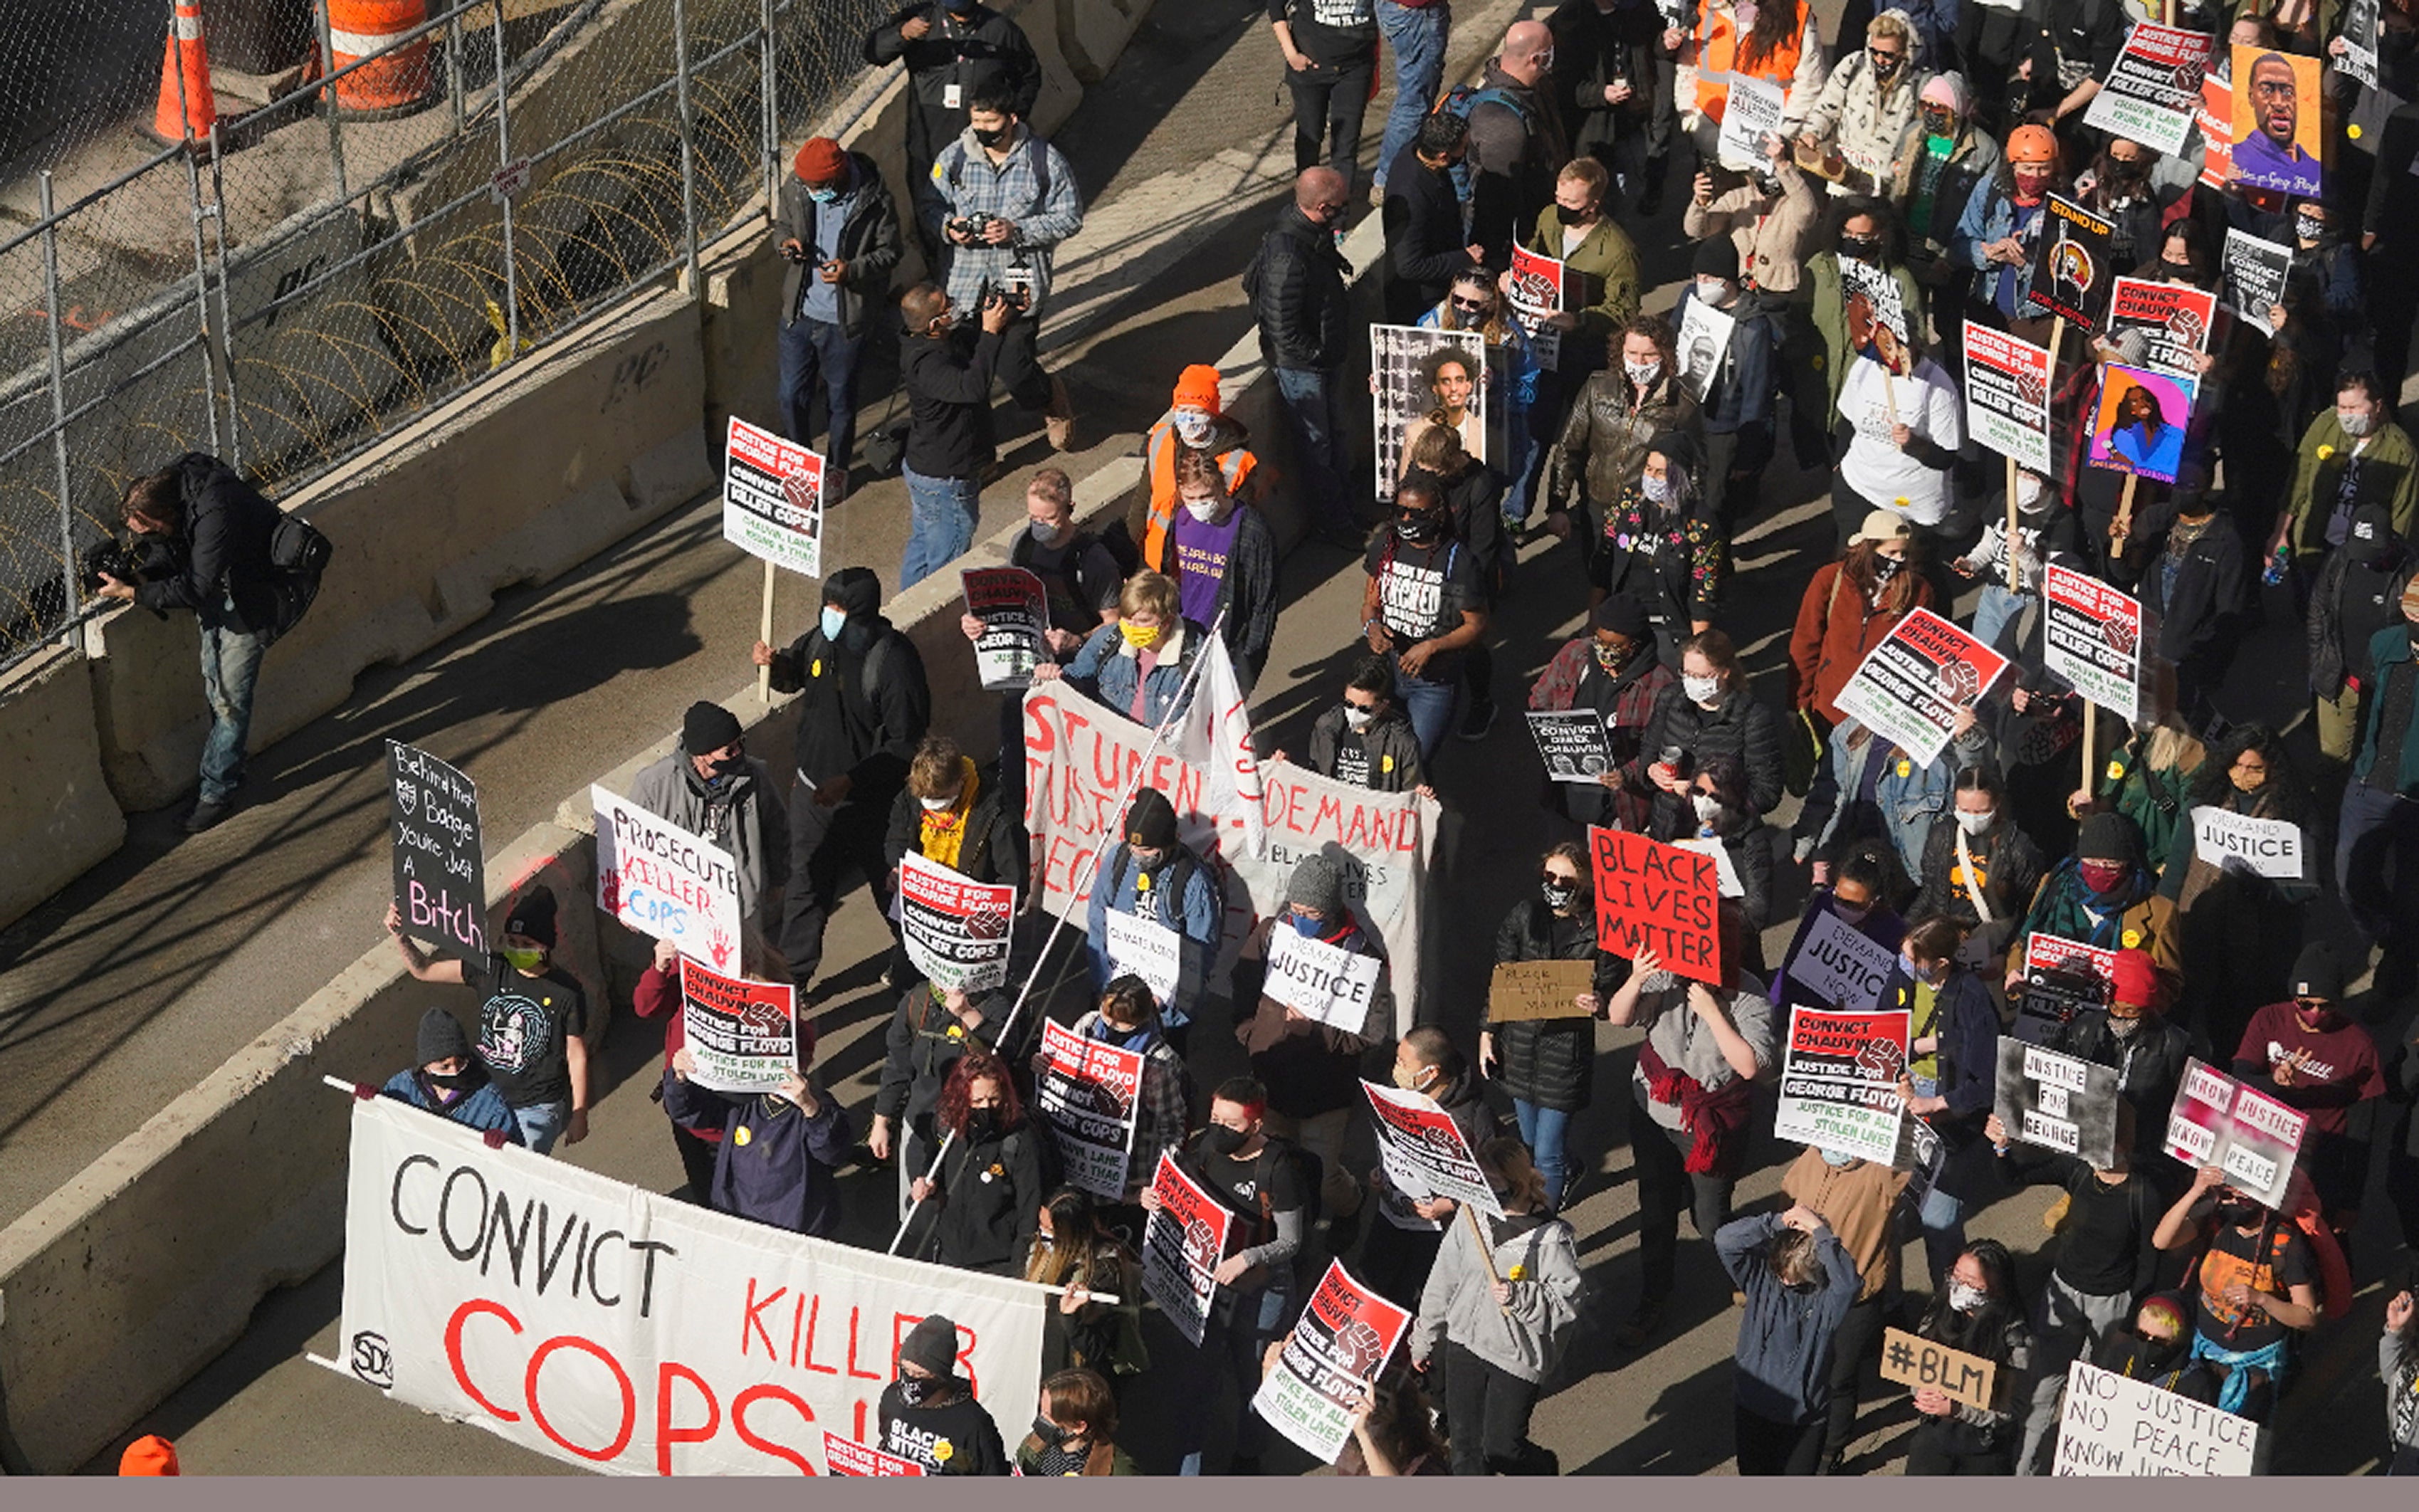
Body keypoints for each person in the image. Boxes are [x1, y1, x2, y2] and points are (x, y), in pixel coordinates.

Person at [1603, 906, 1779, 1348]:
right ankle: (1653, 1297)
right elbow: (1619, 1017)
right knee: (1657, 1211)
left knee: (1710, 1216)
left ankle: (1747, 1272)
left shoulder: (1750, 995)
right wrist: (1638, 978)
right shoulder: (1667, 978)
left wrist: (1714, 1011)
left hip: (1710, 1121)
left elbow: (1753, 1066)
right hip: (1655, 1110)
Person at [755, 565, 930, 987]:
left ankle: (919, 973)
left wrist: (851, 781)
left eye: (840, 607)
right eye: (827, 604)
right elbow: (794, 676)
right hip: (814, 796)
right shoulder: (820, 642)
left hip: (874, 805)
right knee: (805, 888)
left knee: (892, 890)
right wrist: (775, 664)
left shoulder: (894, 661)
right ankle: (791, 981)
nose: (829, 613)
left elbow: (905, 744)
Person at [98, 456, 281, 833]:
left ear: (161, 513)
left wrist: (135, 593)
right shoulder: (181, 499)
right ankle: (229, 766)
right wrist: (144, 574)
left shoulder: (215, 511)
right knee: (217, 687)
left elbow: (195, 587)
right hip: (219, 591)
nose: (145, 540)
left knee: (230, 700)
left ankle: (217, 792)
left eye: (145, 532)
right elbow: (172, 549)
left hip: (250, 596)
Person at [1147, 1078, 1309, 1476]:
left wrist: (1248, 1257)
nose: (1218, 1129)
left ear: (1256, 1126)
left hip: (1260, 1291)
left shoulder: (1277, 1170)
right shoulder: (1205, 1145)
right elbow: (1184, 1191)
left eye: (1231, 1125)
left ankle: (1249, 1453)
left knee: (1251, 1377)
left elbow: (1291, 1242)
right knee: (1198, 1382)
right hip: (1210, 1287)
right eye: (1215, 1118)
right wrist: (1153, 1197)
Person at [1984, 1106, 2160, 1474]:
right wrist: (2001, 1148)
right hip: (2062, 1294)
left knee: (2097, 1396)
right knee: (2042, 1387)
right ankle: (2024, 1472)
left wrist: (2130, 1322)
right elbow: (2013, 1178)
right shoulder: (2077, 1170)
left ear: (2123, 1144)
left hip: (2111, 1304)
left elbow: (2148, 1259)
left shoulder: (2144, 1193)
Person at [1410, 1137, 1586, 1476]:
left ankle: (1543, 1470)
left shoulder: (1551, 1238)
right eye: (1480, 1182)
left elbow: (1567, 1304)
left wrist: (1521, 1297)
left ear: (1517, 1183)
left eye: (1492, 1184)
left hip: (1515, 1356)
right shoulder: (1472, 1217)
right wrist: (1424, 1338)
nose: (1484, 1193)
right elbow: (1442, 1280)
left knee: (1503, 1449)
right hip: (1464, 1341)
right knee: (1464, 1450)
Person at [926, 91, 1083, 451]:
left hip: (1017, 283)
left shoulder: (1046, 161)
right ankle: (982, 455)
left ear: (1012, 118)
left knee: (1014, 366)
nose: (982, 130)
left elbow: (1070, 218)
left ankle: (1048, 398)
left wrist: (1018, 230)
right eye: (976, 122)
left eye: (991, 123)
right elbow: (930, 206)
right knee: (966, 375)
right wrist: (949, 227)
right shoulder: (952, 159)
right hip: (964, 286)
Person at [1232, 854, 1385, 1219]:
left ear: (1331, 910)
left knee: (1323, 1177)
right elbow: (1243, 984)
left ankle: (1352, 1206)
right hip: (1271, 1080)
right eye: (1296, 909)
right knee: (1269, 1167)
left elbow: (1373, 1031)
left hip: (1326, 1094)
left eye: (1312, 914)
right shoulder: (1271, 933)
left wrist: (1316, 1034)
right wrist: (1249, 1033)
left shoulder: (1362, 955)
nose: (1301, 919)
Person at [384, 887, 588, 1155]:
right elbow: (425, 970)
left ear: (545, 946)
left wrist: (579, 1113)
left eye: (526, 945)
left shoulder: (566, 992)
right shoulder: (491, 969)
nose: (517, 950)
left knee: (515, 1174)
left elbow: (576, 1055)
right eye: (512, 942)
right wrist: (402, 938)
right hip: (484, 1098)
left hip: (535, 1108)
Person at [2158, 725, 2316, 1051]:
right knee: (2183, 1000)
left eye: (2254, 768)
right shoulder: (2206, 799)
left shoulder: (2296, 814)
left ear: (2273, 768)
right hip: (2199, 922)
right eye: (2237, 765)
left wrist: (2265, 889)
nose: (2243, 775)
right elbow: (2179, 861)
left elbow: (2306, 884)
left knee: (2234, 1014)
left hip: (2258, 937)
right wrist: (2163, 914)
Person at [1483, 842, 1622, 1209]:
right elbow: (1501, 980)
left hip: (1565, 1055)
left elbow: (1612, 987)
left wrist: (1600, 1002)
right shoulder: (1524, 916)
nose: (1556, 884)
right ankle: (1568, 1167)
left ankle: (1543, 1220)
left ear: (1585, 883)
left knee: (1547, 1155)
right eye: (1550, 876)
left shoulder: (1602, 930)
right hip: (1520, 1049)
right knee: (1528, 1146)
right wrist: (1487, 1035)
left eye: (1566, 879)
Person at [775, 136, 903, 499]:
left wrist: (852, 270)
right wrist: (787, 244)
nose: (811, 191)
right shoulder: (798, 187)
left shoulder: (874, 202)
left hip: (844, 321)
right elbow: (782, 227)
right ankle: (801, 465)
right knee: (789, 396)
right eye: (807, 185)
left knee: (840, 401)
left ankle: (837, 468)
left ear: (838, 177)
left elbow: (891, 252)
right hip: (798, 314)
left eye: (818, 187)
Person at [862, 0, 1041, 258]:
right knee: (933, 212)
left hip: (983, 142)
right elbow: (873, 52)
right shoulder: (919, 19)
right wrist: (902, 34)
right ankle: (943, 281)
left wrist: (1011, 119)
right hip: (931, 138)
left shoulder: (1001, 30)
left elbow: (1029, 76)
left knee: (986, 215)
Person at [2232, 943, 2386, 1237]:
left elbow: (2362, 1134)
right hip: (2266, 1147)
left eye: (2325, 1006)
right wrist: (2273, 1082)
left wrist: (2350, 1201)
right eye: (2305, 1004)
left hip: (2321, 1160)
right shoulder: (2268, 1019)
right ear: (2294, 998)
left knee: (2315, 1243)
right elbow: (2239, 1079)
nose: (2315, 1013)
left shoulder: (2359, 1046)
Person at [2151, 1165, 2322, 1422]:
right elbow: (2161, 1241)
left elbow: (2306, 1317)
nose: (2232, 1201)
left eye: (2240, 1196)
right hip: (2204, 1353)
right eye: (2226, 1194)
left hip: (2257, 1368)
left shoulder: (2286, 1244)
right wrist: (2196, 1191)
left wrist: (2261, 1299)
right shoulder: (2215, 1223)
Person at [1248, 168, 1363, 548]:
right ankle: (1336, 524)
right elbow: (1282, 326)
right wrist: (1317, 356)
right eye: (1341, 206)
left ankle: (1344, 511)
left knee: (1334, 441)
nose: (1345, 211)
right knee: (1319, 450)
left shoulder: (1305, 234)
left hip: (1317, 362)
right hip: (1304, 370)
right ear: (1324, 207)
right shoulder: (1287, 254)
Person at [1882, 915, 2001, 1281]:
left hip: (1948, 1114)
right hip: (1905, 1094)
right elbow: (1882, 1024)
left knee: (1938, 1220)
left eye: (1913, 960)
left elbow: (1985, 1082)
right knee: (1888, 1214)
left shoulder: (1971, 998)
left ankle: (1947, 1299)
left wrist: (1935, 1105)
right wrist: (1909, 1052)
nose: (1904, 965)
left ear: (1942, 964)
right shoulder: (1902, 977)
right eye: (1903, 956)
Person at [1776, 1148, 1908, 1473]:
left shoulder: (1880, 1173)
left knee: (1839, 1378)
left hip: (1856, 1298)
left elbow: (1908, 1162)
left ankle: (1831, 1449)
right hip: (1806, 1293)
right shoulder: (1808, 1162)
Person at [631, 933, 789, 1201]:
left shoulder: (761, 979)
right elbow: (646, 1007)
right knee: (706, 1187)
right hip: (690, 1107)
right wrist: (659, 967)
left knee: (755, 1190)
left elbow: (798, 1037)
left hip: (745, 1115)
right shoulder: (686, 969)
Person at [1544, 313, 1704, 578]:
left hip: (1648, 516)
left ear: (1666, 355)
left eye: (1649, 355)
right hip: (1597, 507)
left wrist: (1689, 522)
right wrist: (1557, 505)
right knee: (1598, 576)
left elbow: (1697, 469)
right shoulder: (1598, 387)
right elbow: (1568, 448)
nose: (1639, 363)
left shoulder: (1683, 405)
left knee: (1636, 583)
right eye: (1632, 353)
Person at [1716, 1204, 1859, 1475]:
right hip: (1752, 1404)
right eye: (1780, 1270)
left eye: (1795, 1276)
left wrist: (1820, 1231)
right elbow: (1725, 1240)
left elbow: (1850, 1284)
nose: (1784, 1280)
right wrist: (1778, 1221)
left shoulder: (1828, 1298)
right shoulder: (1761, 1279)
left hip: (1802, 1419)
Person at [628, 700, 789, 940]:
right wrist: (633, 905)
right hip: (681, 914)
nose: (739, 754)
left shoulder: (755, 776)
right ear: (701, 755)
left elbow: (777, 828)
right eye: (729, 751)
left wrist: (778, 879)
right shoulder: (654, 786)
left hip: (740, 909)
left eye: (740, 744)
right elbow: (632, 851)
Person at [663, 1034, 851, 1239]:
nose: (775, 1070)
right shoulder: (741, 1099)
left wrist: (811, 1108)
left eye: (784, 1061)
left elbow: (833, 1151)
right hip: (738, 1216)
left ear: (803, 1064)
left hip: (794, 1227)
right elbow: (689, 1113)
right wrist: (679, 1078)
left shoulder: (818, 1106)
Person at [1363, 1027, 1499, 1306]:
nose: (1396, 1069)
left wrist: (1451, 1203)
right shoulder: (1399, 1090)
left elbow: (1492, 1176)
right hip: (1391, 1215)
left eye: (1404, 1063)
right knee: (1371, 1283)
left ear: (1432, 1072)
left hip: (1436, 1230)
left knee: (1413, 1296)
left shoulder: (1472, 1117)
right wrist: (1381, 1172)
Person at [1361, 470, 1491, 759]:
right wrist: (1371, 627)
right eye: (1400, 511)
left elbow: (1477, 624)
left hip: (1433, 683)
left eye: (1417, 513)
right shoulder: (1385, 547)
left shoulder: (1457, 561)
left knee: (1414, 759)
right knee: (1380, 754)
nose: (1406, 520)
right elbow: (1370, 603)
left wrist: (1432, 646)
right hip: (1387, 673)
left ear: (1439, 514)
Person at [1046, 977, 1193, 1232]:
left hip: (1125, 1182)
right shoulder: (1088, 1025)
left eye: (1121, 1023)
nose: (1111, 1025)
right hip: (1076, 1165)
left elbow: (1173, 1127)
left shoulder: (1159, 1062)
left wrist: (1157, 1181)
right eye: (1107, 1016)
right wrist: (1046, 1064)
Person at [1083, 789, 1223, 1051]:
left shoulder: (1194, 883)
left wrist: (1168, 1005)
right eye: (1133, 847)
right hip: (1113, 999)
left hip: (1162, 1015)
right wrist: (1104, 986)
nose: (1138, 855)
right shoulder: (1118, 859)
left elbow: (1200, 955)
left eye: (1147, 850)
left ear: (1172, 842)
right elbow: (1098, 920)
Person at [893, 281, 1012, 589]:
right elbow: (972, 387)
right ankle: (927, 622)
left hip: (926, 471)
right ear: (934, 324)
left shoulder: (941, 340)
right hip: (945, 480)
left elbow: (978, 344)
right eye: (948, 306)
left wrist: (1000, 315)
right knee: (947, 563)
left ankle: (904, 611)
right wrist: (990, 334)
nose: (955, 306)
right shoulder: (927, 364)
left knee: (923, 544)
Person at [1523, 594, 1679, 832]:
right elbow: (1541, 696)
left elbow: (1665, 747)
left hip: (1618, 805)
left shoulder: (1660, 685)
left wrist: (1627, 774)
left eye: (1616, 646)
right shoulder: (1575, 655)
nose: (1605, 652)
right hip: (1564, 794)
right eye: (1600, 641)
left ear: (1635, 644)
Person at [2336, 579, 2419, 991]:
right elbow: (2368, 699)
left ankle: (2396, 974)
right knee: (2349, 878)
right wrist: (2359, 763)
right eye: (2412, 615)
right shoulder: (2385, 644)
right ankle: (2386, 936)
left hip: (2416, 798)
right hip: (2370, 784)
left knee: (2411, 897)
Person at [1415, 268, 1544, 531]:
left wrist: (1499, 385)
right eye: (1457, 300)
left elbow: (1529, 390)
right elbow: (1411, 364)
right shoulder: (1432, 322)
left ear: (1491, 303)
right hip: (1443, 437)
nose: (1463, 308)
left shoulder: (1511, 337)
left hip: (1491, 438)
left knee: (1481, 513)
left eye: (1473, 303)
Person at [2040, 947, 2203, 1153]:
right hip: (2089, 1139)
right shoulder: (2085, 1029)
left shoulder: (2175, 1044)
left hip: (2143, 1148)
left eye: (2130, 1011)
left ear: (2147, 1010)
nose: (2120, 1017)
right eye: (2115, 1008)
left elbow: (2185, 1110)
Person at [871, 980, 1009, 1219]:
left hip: (973, 1135)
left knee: (967, 1215)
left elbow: (1009, 1059)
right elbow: (898, 1065)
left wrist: (969, 1015)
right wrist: (881, 1121)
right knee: (918, 1213)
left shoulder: (997, 1004)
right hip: (921, 1126)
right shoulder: (917, 1001)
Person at [1584, 429, 1721, 666]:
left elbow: (1703, 594)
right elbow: (1603, 564)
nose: (1651, 478)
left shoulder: (1700, 524)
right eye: (1648, 469)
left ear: (1679, 476)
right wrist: (1594, 617)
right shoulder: (1629, 500)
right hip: (1623, 619)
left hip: (1667, 628)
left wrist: (1699, 653)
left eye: (1660, 473)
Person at [1788, 508, 1932, 733]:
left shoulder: (1918, 590)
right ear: (1869, 548)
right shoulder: (1829, 579)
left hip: (1879, 717)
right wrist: (1799, 702)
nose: (1899, 560)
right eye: (1891, 553)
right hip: (1829, 709)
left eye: (1903, 554)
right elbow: (1806, 643)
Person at [1668, 238, 1776, 532]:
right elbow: (1673, 334)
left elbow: (1757, 394)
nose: (1702, 284)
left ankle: (1714, 556)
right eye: (1699, 277)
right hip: (1687, 410)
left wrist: (1747, 455)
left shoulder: (1753, 328)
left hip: (1724, 426)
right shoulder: (1691, 297)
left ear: (1729, 281)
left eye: (1711, 279)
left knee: (1713, 501)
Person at [908, 1051, 1049, 1272]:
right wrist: (929, 1181)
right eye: (977, 1101)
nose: (986, 1107)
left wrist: (1020, 1266)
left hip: (997, 1261)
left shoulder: (1019, 1138)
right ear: (961, 1097)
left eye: (994, 1099)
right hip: (950, 1252)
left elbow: (1029, 1209)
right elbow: (932, 1157)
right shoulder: (947, 1125)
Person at [2307, 504, 2415, 785]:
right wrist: (2320, 659)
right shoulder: (2340, 560)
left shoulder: (2411, 567)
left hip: (2387, 681)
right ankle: (2330, 817)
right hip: (2342, 677)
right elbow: (2318, 609)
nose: (2365, 560)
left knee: (2379, 754)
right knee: (2332, 759)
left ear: (2390, 541)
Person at [1903, 1240, 2032, 1474]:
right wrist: (1922, 1392)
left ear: (1997, 1290)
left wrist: (1958, 1409)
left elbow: (2014, 1405)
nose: (1959, 1287)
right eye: (1956, 1277)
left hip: (1984, 1447)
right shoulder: (1939, 1310)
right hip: (1935, 1433)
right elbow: (1918, 1361)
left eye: (1971, 1284)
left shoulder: (2014, 1336)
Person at [1805, 199, 1928, 444]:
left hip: (1865, 402)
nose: (1852, 241)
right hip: (1817, 389)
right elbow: (1798, 324)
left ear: (1881, 236)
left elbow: (1916, 348)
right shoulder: (1821, 266)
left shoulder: (1899, 281)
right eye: (1847, 233)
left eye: (1862, 237)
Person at [2272, 374, 2419, 576]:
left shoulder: (2400, 451)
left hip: (2362, 559)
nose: (2348, 416)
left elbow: (2403, 515)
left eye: (2355, 408)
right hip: (2314, 547)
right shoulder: (2326, 424)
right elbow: (2298, 482)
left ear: (2377, 407)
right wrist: (2280, 533)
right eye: (2343, 408)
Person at [1521, 157, 1645, 396]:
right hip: (1542, 341)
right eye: (1558, 198)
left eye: (1571, 202)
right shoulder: (1549, 217)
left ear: (1593, 204)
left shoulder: (1618, 251)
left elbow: (1625, 312)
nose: (1562, 206)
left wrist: (1579, 321)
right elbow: (1534, 255)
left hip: (1583, 352)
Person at [2007, 811, 2181, 979]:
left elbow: (2170, 981)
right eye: (2092, 863)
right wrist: (2015, 972)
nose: (2100, 870)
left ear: (2127, 864)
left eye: (2112, 865)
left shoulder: (2159, 912)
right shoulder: (2054, 886)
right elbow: (2024, 941)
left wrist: (2134, 997)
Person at [2129, 485, 2247, 731]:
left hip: (2184, 658)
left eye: (2193, 483)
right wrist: (2127, 543)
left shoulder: (2225, 539)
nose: (2184, 490)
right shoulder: (2156, 522)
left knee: (2175, 727)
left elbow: (2229, 613)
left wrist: (2208, 668)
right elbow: (2124, 572)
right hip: (2145, 643)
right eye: (2179, 482)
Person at [1161, 448, 1280, 688]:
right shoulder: (1180, 521)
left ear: (1220, 487)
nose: (1198, 506)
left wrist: (1250, 658)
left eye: (1205, 497)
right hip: (1183, 633)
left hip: (1228, 641)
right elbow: (1169, 575)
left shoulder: (1251, 531)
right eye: (1190, 498)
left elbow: (1264, 600)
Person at [1911, 767, 2045, 975]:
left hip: (1989, 946)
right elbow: (1929, 890)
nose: (1972, 818)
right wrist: (1907, 932)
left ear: (1997, 803)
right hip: (1943, 940)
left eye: (1981, 811)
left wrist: (2008, 954)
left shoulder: (2018, 847)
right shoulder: (1943, 834)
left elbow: (2031, 910)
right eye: (1964, 810)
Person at [1035, 572, 1210, 732]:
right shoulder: (1108, 640)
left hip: (1161, 759)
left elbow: (1213, 718)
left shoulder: (1199, 657)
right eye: (1126, 618)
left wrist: (1184, 734)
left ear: (1167, 620)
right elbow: (1079, 679)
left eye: (1142, 621)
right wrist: (1055, 677)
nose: (1131, 628)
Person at [1133, 366, 1264, 575]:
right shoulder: (1161, 440)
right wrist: (1133, 553)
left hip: (1205, 563)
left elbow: (1244, 523)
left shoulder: (1236, 461)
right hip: (1158, 556)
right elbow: (1143, 499)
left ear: (1211, 414)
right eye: (1183, 411)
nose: (1189, 420)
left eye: (1197, 412)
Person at [1642, 629, 1784, 817]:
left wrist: (1713, 798)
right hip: (1669, 821)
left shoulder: (1753, 718)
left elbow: (1767, 792)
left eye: (1701, 677)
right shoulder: (1671, 698)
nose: (1692, 682)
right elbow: (1648, 749)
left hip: (1721, 831)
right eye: (1687, 674)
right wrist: (1652, 771)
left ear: (1725, 673)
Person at [1464, 21, 1570, 268]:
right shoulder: (1502, 123)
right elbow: (1498, 203)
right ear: (1535, 59)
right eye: (1550, 52)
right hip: (1513, 247)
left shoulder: (1535, 87)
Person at [1795, 11, 1927, 199]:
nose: (1880, 60)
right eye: (1874, 51)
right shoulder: (1852, 66)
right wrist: (1812, 133)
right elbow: (1826, 110)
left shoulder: (1920, 85)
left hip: (1886, 192)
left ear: (1907, 51)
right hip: (1842, 181)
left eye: (1888, 55)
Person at [1550, 0, 1666, 212]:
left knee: (1632, 188)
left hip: (1636, 121)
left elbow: (1655, 47)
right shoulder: (1570, 21)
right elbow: (1563, 85)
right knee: (1602, 198)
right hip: (1595, 130)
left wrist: (1666, 43)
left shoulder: (1639, 8)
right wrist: (1600, 93)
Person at [1894, 74, 2000, 304]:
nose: (1931, 112)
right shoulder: (1913, 134)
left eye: (1939, 107)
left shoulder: (1983, 148)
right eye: (1926, 105)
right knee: (1909, 310)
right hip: (1910, 236)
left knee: (1947, 319)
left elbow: (1988, 205)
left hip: (1950, 244)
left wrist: (1955, 254)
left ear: (1956, 110)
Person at [1024, 1189, 1148, 1385]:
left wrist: (1070, 1318)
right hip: (1039, 1366)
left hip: (1075, 1380)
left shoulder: (1104, 1271)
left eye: (1051, 1231)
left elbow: (1096, 1350)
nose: (1043, 1236)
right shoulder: (1038, 1250)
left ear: (1070, 1235)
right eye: (1041, 1225)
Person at [1955, 125, 2061, 339]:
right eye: (2028, 168)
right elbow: (1959, 245)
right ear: (2012, 166)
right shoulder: (1989, 189)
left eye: (2044, 169)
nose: (2036, 176)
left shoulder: (2063, 206)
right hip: (1987, 306)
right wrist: (1989, 252)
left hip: (2033, 320)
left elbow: (2065, 281)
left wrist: (2023, 263)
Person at [1772, 848, 1909, 1014]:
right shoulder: (1823, 903)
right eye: (1838, 898)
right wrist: (1778, 1006)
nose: (1843, 908)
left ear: (1876, 902)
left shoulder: (1896, 933)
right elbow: (1795, 956)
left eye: (1854, 905)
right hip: (1807, 1009)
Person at [1269, 654, 1429, 793]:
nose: (1354, 713)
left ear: (1383, 705)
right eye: (1349, 704)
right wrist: (1289, 769)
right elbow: (1315, 776)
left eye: (1364, 709)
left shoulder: (1401, 742)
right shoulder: (1327, 727)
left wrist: (1420, 796)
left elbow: (1411, 791)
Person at [1269, 0, 1379, 199]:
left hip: (1355, 69)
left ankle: (1338, 216)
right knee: (1310, 137)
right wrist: (1291, 54)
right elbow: (1275, 6)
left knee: (1346, 144)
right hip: (1311, 69)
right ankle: (1307, 206)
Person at [1382, 111, 1484, 325]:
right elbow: (1409, 265)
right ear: (1443, 156)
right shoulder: (1413, 197)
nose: (1465, 152)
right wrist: (1464, 258)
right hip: (1420, 302)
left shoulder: (1414, 152)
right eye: (1462, 148)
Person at [878, 1313, 1011, 1475]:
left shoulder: (973, 1425)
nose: (910, 1380)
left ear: (940, 1377)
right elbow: (885, 1444)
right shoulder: (893, 1397)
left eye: (920, 1375)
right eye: (905, 1370)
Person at [379, 1007, 525, 1143]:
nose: (454, 1072)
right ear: (426, 1065)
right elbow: (379, 1125)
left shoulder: (489, 1100)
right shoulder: (401, 1087)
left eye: (461, 1063)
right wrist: (370, 1102)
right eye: (445, 1066)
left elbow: (517, 1154)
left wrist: (505, 1142)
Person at [1371, 0, 1453, 205]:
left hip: (1403, 10)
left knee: (1419, 94)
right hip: (1415, 12)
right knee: (1415, 101)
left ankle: (1396, 172)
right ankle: (1388, 179)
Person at [1016, 1367, 1140, 1475]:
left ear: (1079, 1426)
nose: (1042, 1418)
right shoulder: (1033, 1445)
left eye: (1049, 1415)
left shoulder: (1117, 1471)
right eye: (1042, 1411)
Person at [2233, 51, 2321, 196]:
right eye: (2266, 90)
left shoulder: (2317, 171)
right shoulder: (2235, 159)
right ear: (2251, 96)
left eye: (2287, 92)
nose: (2279, 103)